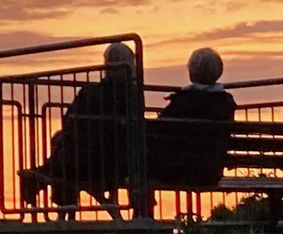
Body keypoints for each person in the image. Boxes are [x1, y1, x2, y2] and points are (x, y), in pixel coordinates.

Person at [20, 42, 143, 220]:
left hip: (86, 164)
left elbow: (69, 122)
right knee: (66, 149)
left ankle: (46, 182)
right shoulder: (133, 96)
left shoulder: (90, 93)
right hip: (121, 164)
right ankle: (42, 176)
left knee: (63, 147)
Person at [146, 47, 235, 190]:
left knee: (138, 163)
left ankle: (142, 210)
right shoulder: (226, 103)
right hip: (210, 174)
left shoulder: (183, 102)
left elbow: (157, 130)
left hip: (177, 172)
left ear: (192, 73)